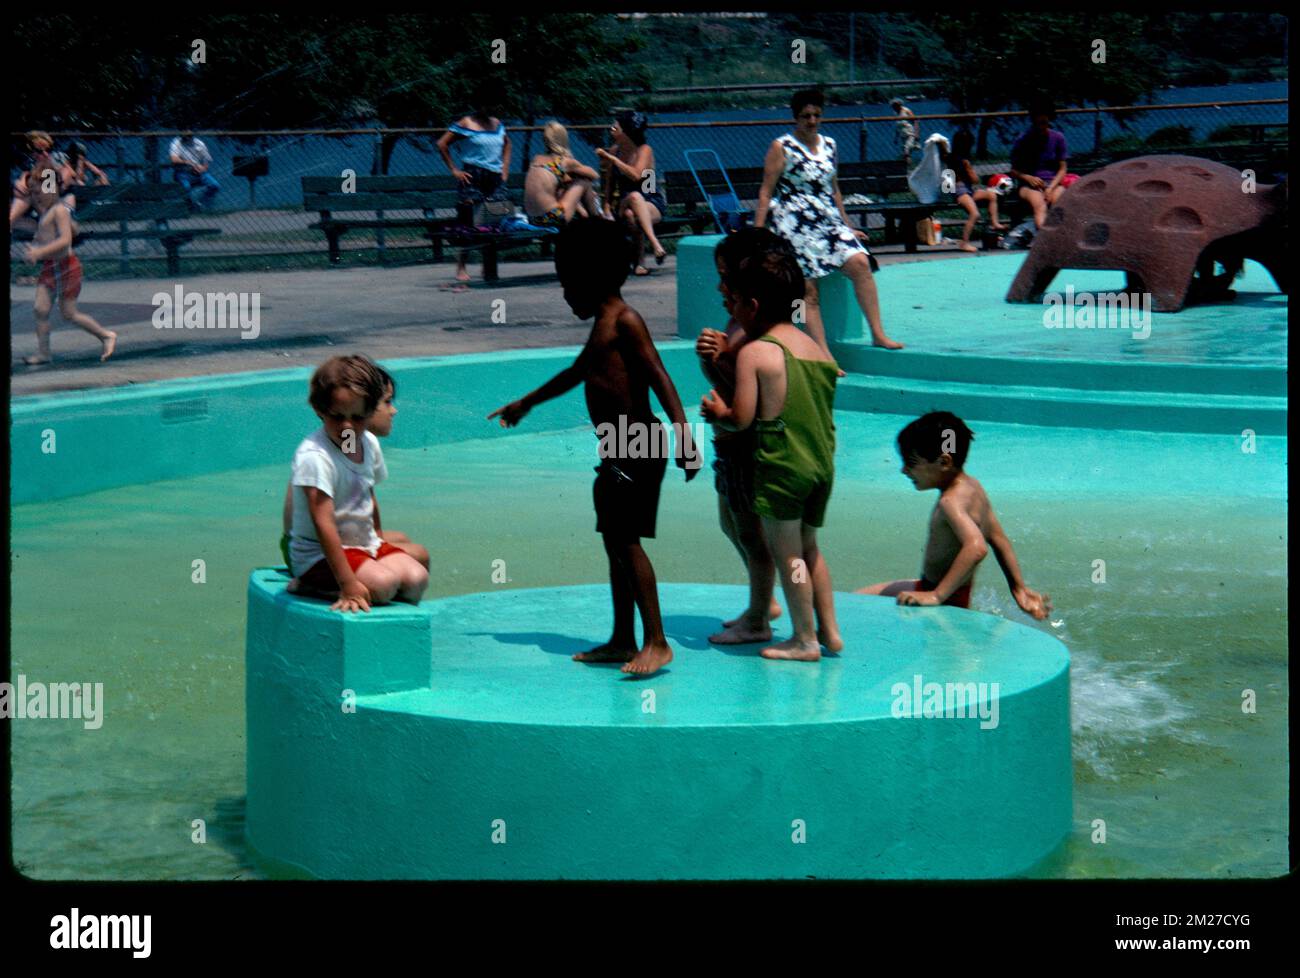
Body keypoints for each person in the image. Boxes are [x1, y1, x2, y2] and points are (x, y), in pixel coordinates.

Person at [488, 219, 699, 676]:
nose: (565, 295)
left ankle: (657, 641)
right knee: (614, 543)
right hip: (617, 448)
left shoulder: (625, 320)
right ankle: (623, 639)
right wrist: (526, 403)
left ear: (591, 276)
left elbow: (660, 377)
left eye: (567, 283)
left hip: (637, 444)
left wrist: (685, 437)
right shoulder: (604, 323)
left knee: (626, 541)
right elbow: (575, 373)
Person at [701, 234, 842, 662]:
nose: (732, 307)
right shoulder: (815, 350)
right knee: (810, 548)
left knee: (788, 556)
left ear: (753, 307)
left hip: (782, 467)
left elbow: (743, 417)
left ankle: (804, 640)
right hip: (821, 463)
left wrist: (716, 413)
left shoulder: (756, 352)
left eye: (736, 301)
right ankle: (829, 632)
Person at [856, 411, 1051, 618]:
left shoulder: (950, 502)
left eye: (911, 463)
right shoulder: (974, 488)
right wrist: (1018, 589)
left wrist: (936, 596)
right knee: (861, 597)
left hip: (944, 597)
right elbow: (998, 539)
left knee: (857, 604)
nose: (903, 470)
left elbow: (977, 548)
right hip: (947, 590)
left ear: (944, 462)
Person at [756, 89, 903, 356]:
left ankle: (878, 334)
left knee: (860, 262)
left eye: (816, 115)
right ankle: (823, 354)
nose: (811, 121)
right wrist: (757, 233)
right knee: (808, 288)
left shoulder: (830, 145)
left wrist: (847, 226)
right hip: (793, 221)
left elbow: (834, 189)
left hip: (827, 220)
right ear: (795, 118)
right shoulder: (782, 147)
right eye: (805, 116)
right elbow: (766, 191)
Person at [695, 229, 785, 644]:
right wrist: (713, 361)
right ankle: (760, 600)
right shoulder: (736, 322)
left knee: (750, 533)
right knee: (728, 524)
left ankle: (759, 616)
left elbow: (745, 395)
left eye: (724, 277)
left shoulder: (752, 330)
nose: (718, 286)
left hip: (744, 446)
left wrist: (724, 357)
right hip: (726, 446)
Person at [285, 355, 429, 612]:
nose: (348, 426)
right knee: (384, 585)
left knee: (417, 578)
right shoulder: (315, 457)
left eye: (358, 417)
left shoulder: (368, 443)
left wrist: (379, 544)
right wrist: (348, 583)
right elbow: (323, 522)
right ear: (319, 409)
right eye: (338, 417)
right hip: (317, 556)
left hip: (362, 544)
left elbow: (368, 496)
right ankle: (309, 585)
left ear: (371, 411)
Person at [21, 168, 117, 365]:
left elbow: (65, 241)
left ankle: (106, 335)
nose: (35, 197)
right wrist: (35, 248)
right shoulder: (47, 212)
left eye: (38, 192)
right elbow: (47, 238)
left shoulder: (59, 210)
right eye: (33, 193)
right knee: (40, 309)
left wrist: (38, 252)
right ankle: (44, 353)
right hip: (51, 267)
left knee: (69, 314)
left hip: (67, 268)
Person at [437, 102, 512, 290]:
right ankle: (461, 266)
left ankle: (488, 266)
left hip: (494, 176)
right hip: (473, 174)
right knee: (468, 221)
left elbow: (507, 144)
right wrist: (454, 170)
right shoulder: (466, 122)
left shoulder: (497, 123)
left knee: (492, 220)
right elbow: (442, 143)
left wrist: (505, 170)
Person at [595, 110, 668, 276]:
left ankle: (639, 264)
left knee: (631, 214)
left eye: (615, 127)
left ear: (626, 131)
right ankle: (656, 245)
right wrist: (606, 206)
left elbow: (637, 175)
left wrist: (612, 160)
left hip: (651, 200)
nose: (611, 129)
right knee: (633, 198)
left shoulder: (644, 150)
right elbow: (609, 184)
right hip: (623, 201)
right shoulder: (615, 151)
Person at [524, 121, 600, 228]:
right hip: (552, 218)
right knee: (584, 183)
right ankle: (597, 220)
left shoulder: (536, 159)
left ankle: (586, 216)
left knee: (564, 186)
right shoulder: (564, 162)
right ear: (564, 139)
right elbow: (595, 175)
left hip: (532, 219)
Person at [945, 128, 1007, 252]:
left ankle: (994, 222)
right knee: (975, 214)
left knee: (992, 196)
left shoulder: (950, 158)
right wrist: (969, 170)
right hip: (961, 192)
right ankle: (964, 242)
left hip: (965, 191)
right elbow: (975, 180)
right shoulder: (964, 161)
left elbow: (947, 183)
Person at [1008, 103, 1069, 229]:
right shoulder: (1023, 140)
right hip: (1029, 185)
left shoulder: (1058, 138)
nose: (1041, 127)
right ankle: (1043, 238)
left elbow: (1062, 168)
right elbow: (1013, 171)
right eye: (1038, 123)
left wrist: (1051, 187)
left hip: (1053, 183)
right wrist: (1028, 178)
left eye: (1044, 123)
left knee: (1059, 203)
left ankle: (1060, 238)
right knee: (1040, 205)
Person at [169, 131, 220, 210]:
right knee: (186, 187)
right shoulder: (176, 142)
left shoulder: (199, 144)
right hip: (183, 172)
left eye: (189, 135)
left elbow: (206, 160)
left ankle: (200, 204)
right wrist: (188, 163)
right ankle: (188, 207)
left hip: (198, 172)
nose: (186, 137)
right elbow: (174, 159)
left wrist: (202, 169)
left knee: (215, 185)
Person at [891, 98, 920, 166]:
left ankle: (909, 167)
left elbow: (915, 121)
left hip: (910, 134)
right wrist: (896, 137)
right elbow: (898, 126)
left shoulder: (906, 110)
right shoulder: (895, 113)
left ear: (899, 105)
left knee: (906, 151)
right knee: (907, 153)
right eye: (893, 106)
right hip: (902, 135)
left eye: (895, 106)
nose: (894, 108)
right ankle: (909, 167)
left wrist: (916, 134)